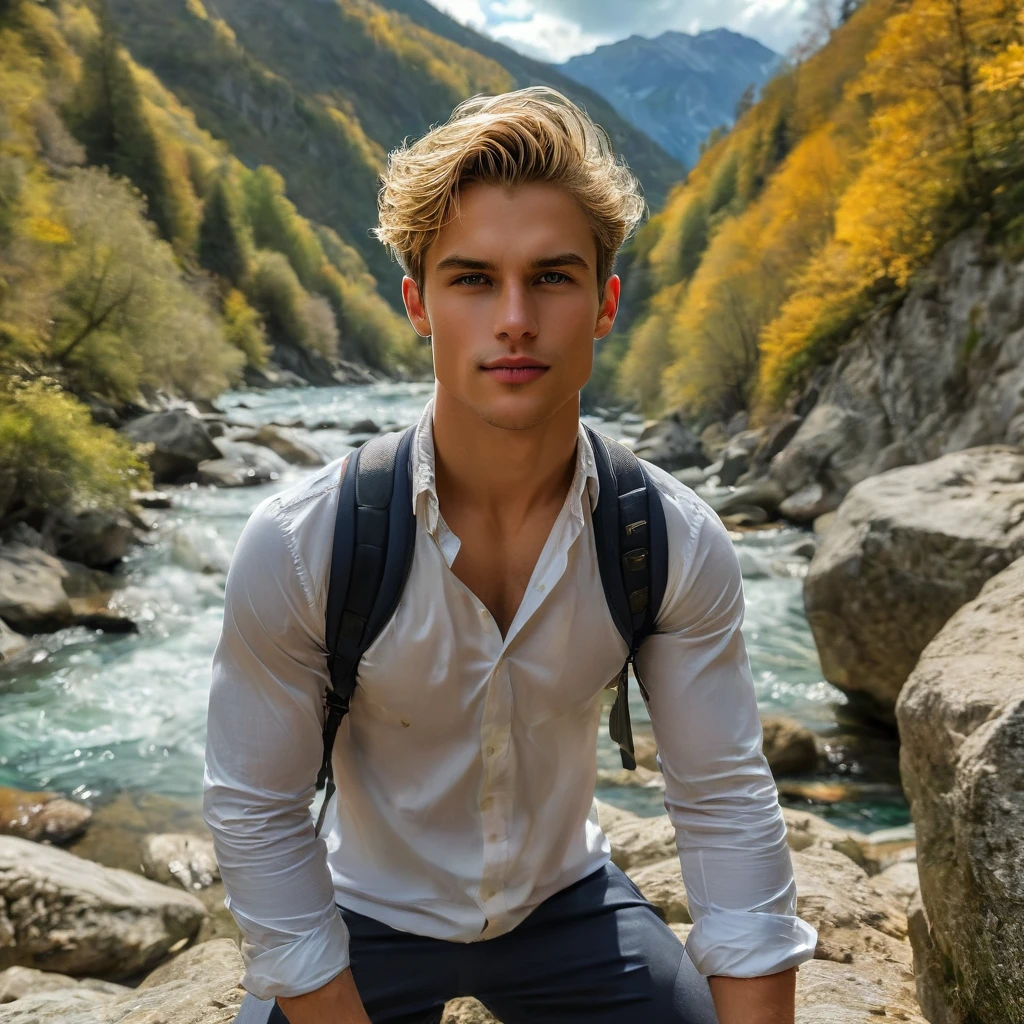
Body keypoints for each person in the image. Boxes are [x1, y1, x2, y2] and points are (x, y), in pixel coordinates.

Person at [204, 86, 818, 1024]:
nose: (516, 318)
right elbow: (255, 808)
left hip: (568, 905)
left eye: (554, 277)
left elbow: (725, 798)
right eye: (473, 279)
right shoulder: (304, 543)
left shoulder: (669, 539)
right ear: (418, 302)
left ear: (606, 302)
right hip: (360, 915)